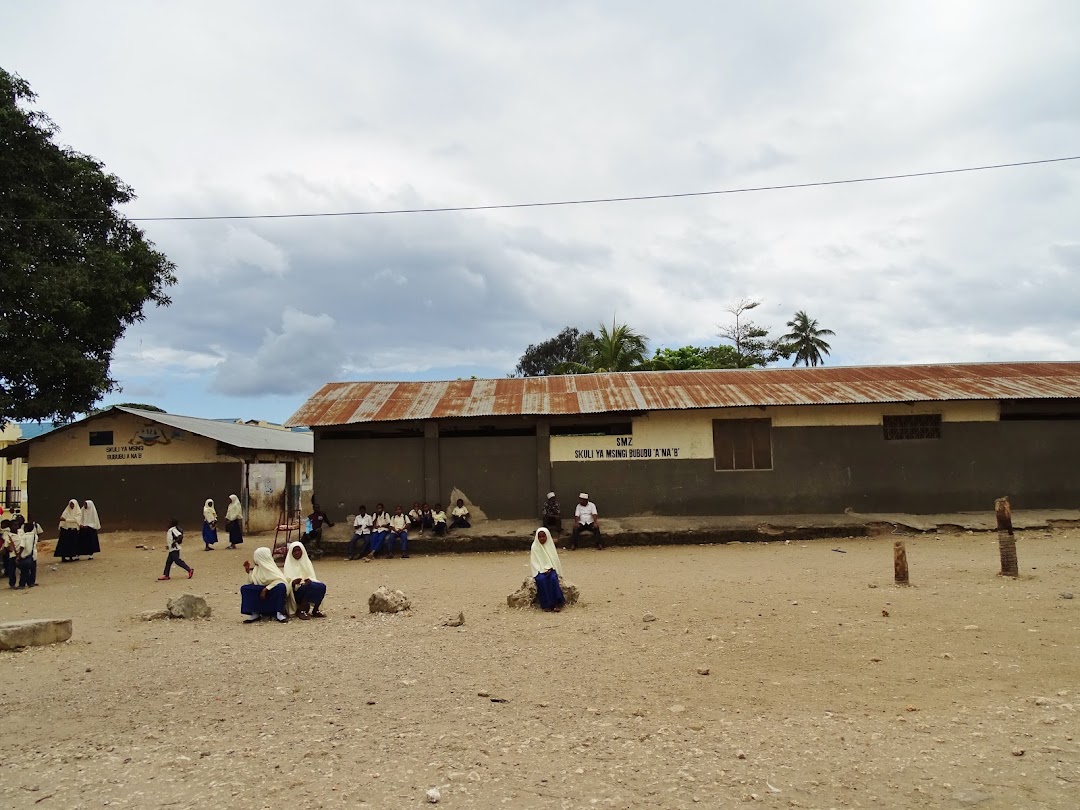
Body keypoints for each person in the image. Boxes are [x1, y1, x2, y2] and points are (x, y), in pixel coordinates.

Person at [240, 547, 293, 623]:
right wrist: (248, 572)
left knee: (281, 587)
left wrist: (266, 589)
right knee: (245, 588)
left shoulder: (271, 568)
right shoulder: (257, 569)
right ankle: (255, 613)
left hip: (272, 591)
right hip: (261, 591)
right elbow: (252, 581)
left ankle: (279, 613)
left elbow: (281, 581)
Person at [284, 540, 326, 619]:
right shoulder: (288, 564)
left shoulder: (307, 562)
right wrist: (293, 582)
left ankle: (315, 610)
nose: (297, 553)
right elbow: (287, 583)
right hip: (296, 591)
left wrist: (309, 580)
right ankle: (301, 611)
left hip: (308, 585)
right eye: (294, 551)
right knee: (307, 587)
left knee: (322, 586)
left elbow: (312, 576)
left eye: (299, 550)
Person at [530, 527, 565, 612]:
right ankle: (547, 604)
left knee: (553, 579)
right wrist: (542, 570)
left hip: (551, 569)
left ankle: (558, 603)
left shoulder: (550, 546)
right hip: (540, 570)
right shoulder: (535, 546)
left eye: (543, 536)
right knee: (541, 580)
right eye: (540, 537)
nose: (542, 538)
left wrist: (550, 568)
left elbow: (554, 560)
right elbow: (534, 562)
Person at [15, 518, 41, 588]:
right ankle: (31, 582)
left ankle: (22, 584)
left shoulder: (24, 536)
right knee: (33, 570)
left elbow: (22, 546)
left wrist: (18, 555)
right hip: (33, 555)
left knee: (24, 571)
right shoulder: (35, 536)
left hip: (25, 555)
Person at [1, 520, 16, 588]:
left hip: (10, 553)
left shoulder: (6, 533)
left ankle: (12, 583)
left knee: (10, 567)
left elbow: (5, 545)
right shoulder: (19, 533)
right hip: (16, 553)